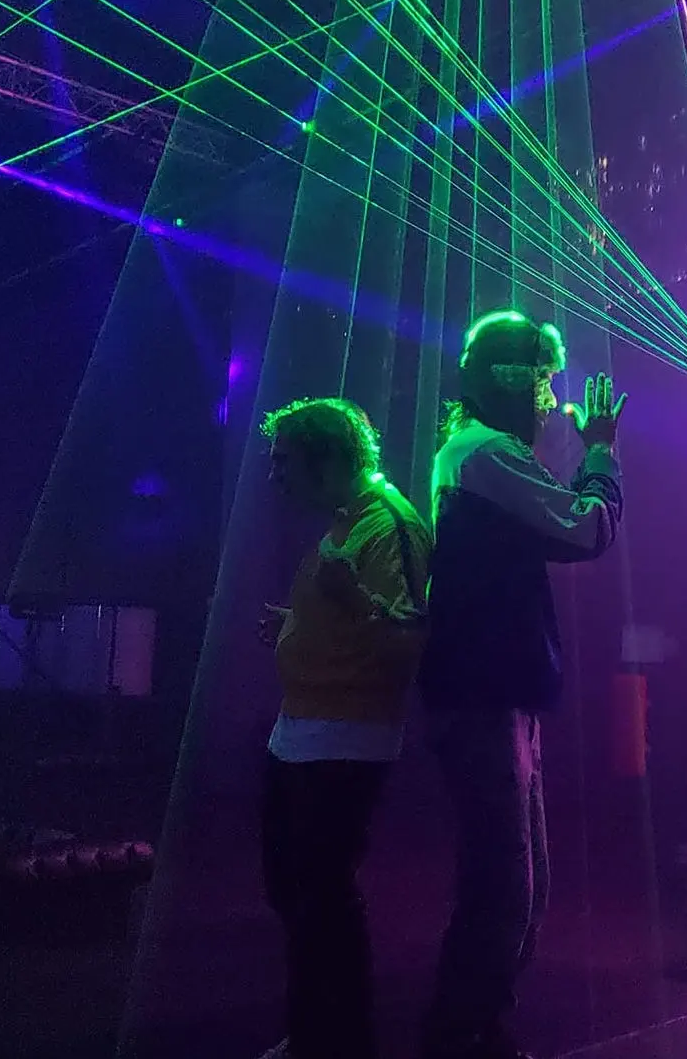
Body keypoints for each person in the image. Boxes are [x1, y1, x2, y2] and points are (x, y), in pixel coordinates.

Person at [419, 311, 627, 1059]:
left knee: (520, 884)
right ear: (506, 380)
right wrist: (600, 451)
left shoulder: (479, 452)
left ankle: (481, 1030)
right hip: (485, 693)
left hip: (496, 690)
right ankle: (459, 1038)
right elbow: (588, 528)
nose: (549, 401)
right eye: (542, 382)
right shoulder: (487, 453)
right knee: (505, 886)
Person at [256, 397, 432, 1059]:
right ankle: (317, 1034)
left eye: (284, 463)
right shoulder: (349, 520)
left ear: (328, 459)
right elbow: (356, 618)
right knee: (295, 890)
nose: (275, 477)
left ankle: (337, 1042)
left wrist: (350, 602)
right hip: (305, 732)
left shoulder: (389, 525)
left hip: (345, 738)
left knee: (320, 898)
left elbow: (409, 642)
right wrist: (302, 623)